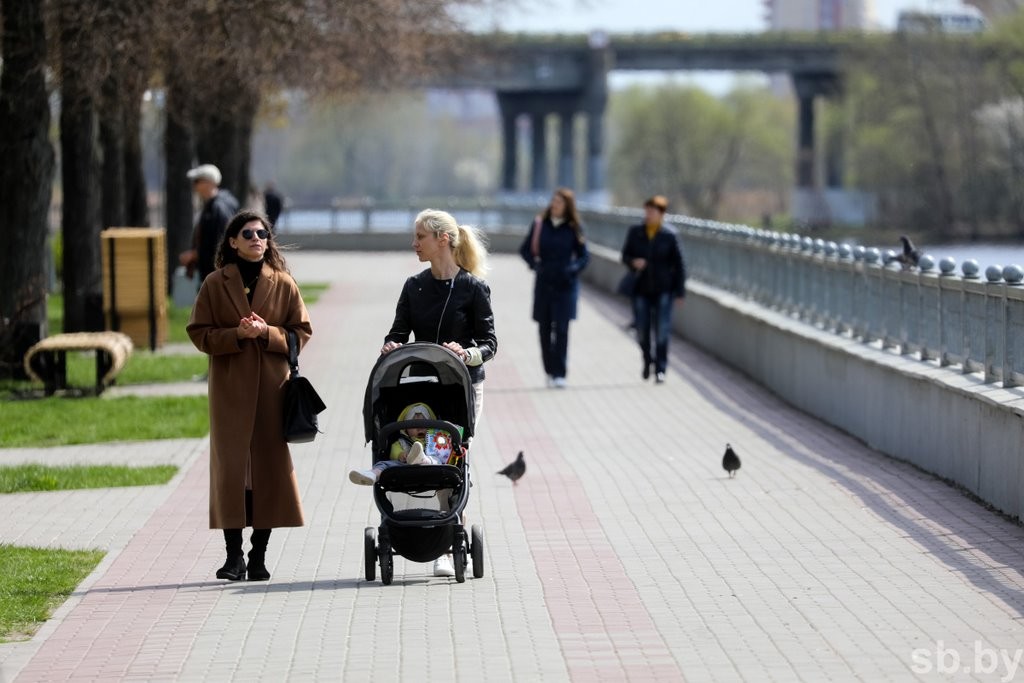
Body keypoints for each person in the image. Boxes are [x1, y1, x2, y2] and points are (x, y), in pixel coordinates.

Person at [186, 209, 312, 582]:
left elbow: (300, 334)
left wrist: (266, 333)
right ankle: (232, 557)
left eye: (263, 233)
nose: (258, 239)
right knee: (232, 473)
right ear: (232, 241)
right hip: (229, 391)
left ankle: (258, 556)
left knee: (269, 473)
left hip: (273, 389)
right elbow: (199, 333)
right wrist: (236, 336)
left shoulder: (283, 282)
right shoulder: (214, 283)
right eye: (249, 233)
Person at [380, 208, 497, 577]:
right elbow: (398, 333)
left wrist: (466, 352)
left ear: (442, 239)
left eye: (420, 237)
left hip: (462, 388)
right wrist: (389, 345)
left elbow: (490, 344)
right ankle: (412, 466)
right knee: (427, 454)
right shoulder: (413, 287)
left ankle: (447, 545)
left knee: (454, 459)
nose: (414, 244)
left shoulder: (473, 288)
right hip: (422, 389)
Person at [519, 188, 589, 388]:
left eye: (559, 202)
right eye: (554, 201)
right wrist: (535, 265)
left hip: (566, 286)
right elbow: (525, 250)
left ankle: (560, 373)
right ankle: (549, 370)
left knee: (562, 330)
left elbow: (584, 256)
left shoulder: (575, 227)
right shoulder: (540, 224)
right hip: (544, 284)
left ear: (567, 206)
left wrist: (572, 269)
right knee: (544, 329)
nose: (555, 205)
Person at [620, 195, 686, 384]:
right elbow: (624, 256)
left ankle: (661, 368)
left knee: (662, 330)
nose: (649, 215)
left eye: (653, 212)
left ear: (661, 214)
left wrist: (680, 291)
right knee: (642, 328)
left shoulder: (669, 235)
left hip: (664, 289)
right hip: (641, 289)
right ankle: (647, 359)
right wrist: (633, 262)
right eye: (647, 211)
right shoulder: (636, 232)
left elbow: (679, 265)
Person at [349, 402, 439, 485]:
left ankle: (422, 459)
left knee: (438, 459)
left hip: (431, 465)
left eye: (424, 425)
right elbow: (394, 450)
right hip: (405, 467)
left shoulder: (436, 440)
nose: (420, 429)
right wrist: (400, 455)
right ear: (406, 429)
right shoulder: (402, 441)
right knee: (384, 464)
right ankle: (372, 474)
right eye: (415, 426)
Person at [179, 163, 240, 287]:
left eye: (197, 181)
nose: (194, 186)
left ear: (208, 182)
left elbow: (220, 242)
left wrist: (194, 255)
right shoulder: (215, 205)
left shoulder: (218, 208)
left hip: (217, 275)